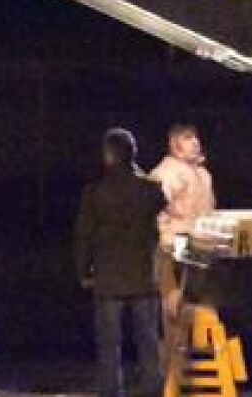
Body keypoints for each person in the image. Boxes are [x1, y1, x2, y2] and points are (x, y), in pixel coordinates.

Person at [74, 128, 165, 397]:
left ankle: (111, 391)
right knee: (148, 341)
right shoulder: (149, 190)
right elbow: (160, 204)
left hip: (108, 278)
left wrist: (83, 270)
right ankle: (151, 390)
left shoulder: (95, 193)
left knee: (109, 344)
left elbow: (84, 235)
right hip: (143, 276)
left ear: (108, 155)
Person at [150, 122, 216, 328]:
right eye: (188, 138)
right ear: (175, 144)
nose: (195, 142)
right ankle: (169, 349)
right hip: (174, 242)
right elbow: (154, 209)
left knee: (195, 296)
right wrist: (166, 239)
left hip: (198, 241)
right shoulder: (169, 172)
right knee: (174, 301)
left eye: (195, 137)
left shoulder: (203, 174)